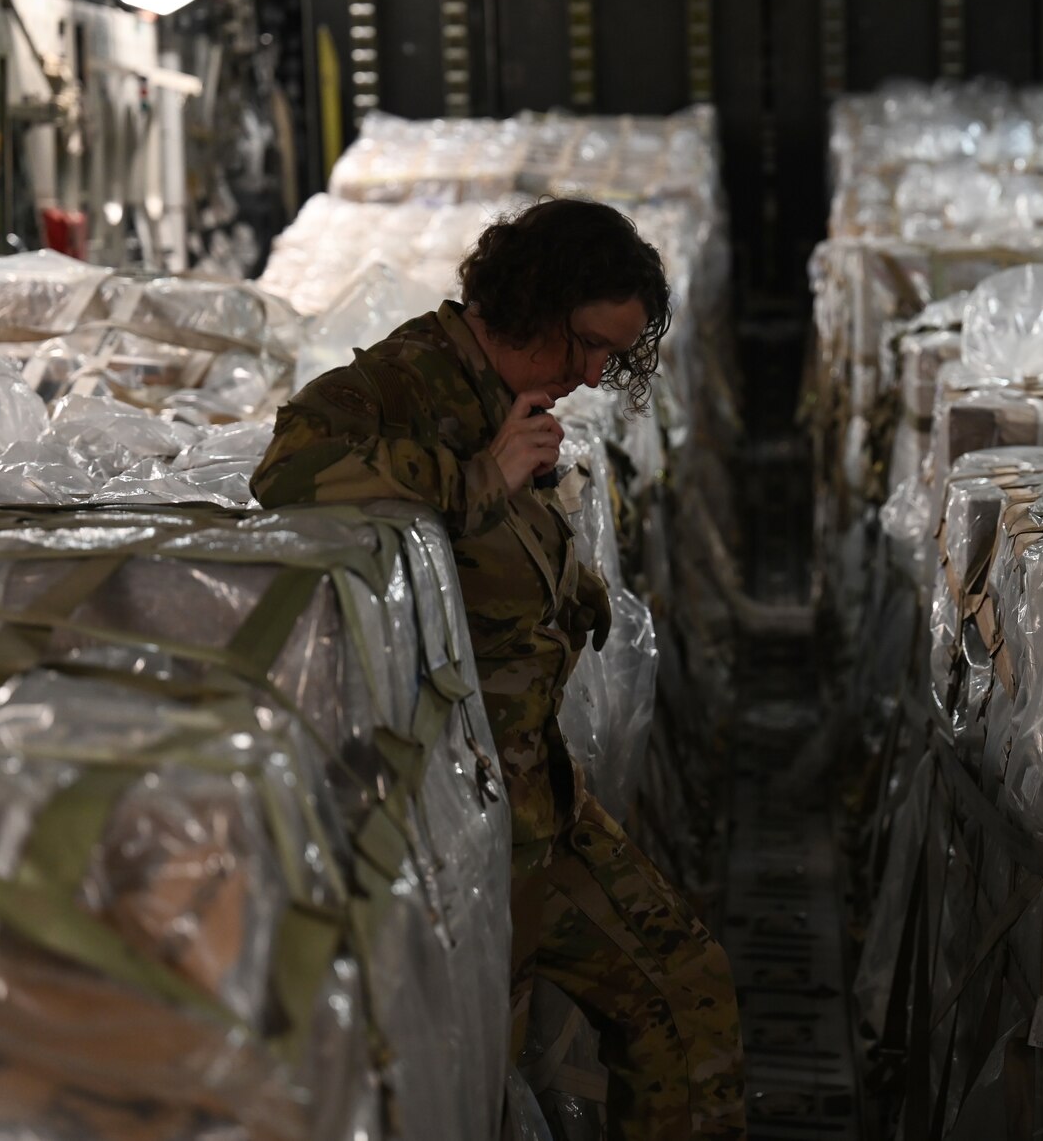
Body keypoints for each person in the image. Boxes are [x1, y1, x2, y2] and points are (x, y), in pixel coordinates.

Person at [252, 197, 746, 1139]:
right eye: (587, 346)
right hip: (450, 827)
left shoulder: (513, 401)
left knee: (685, 993)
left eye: (614, 356)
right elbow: (286, 470)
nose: (595, 374)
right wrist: (476, 479)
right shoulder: (409, 381)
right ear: (532, 303)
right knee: (478, 1079)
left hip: (532, 807)